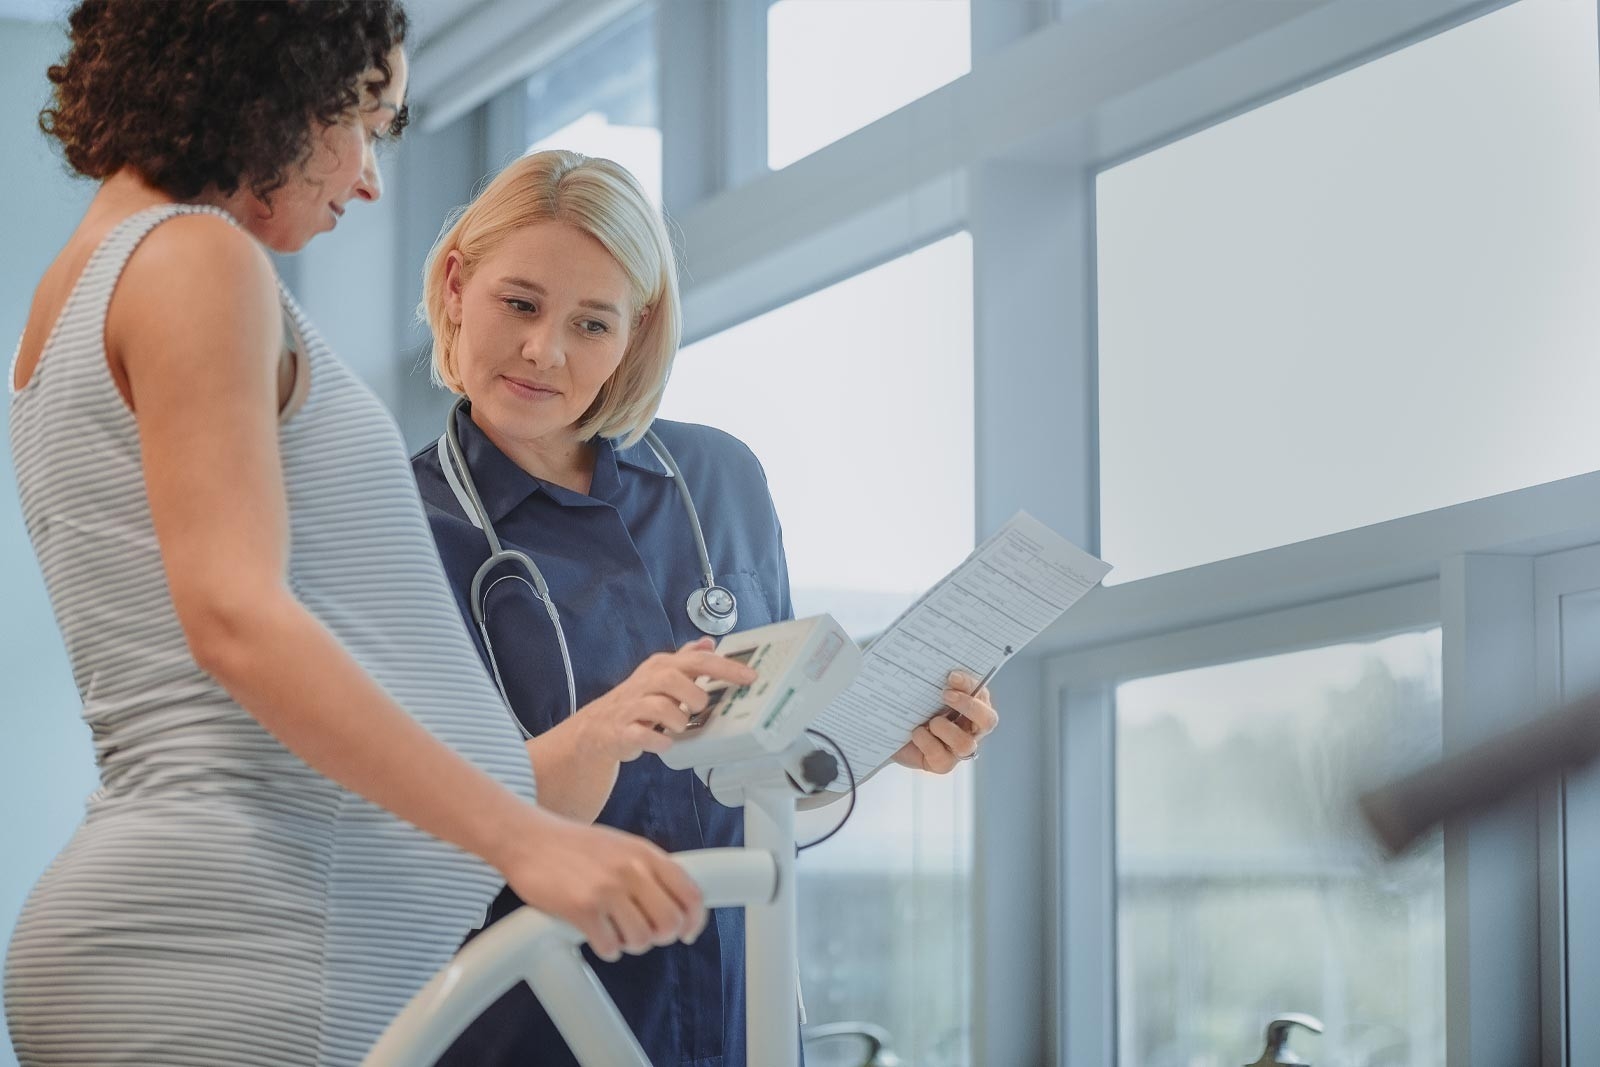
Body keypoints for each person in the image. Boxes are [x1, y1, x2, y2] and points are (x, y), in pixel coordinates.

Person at [3, 7, 722, 1066]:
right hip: (244, 953)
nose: (371, 176)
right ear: (273, 87)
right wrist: (529, 841)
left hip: (222, 937)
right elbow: (235, 617)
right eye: (366, 121)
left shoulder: (86, 282)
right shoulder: (194, 258)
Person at [411, 149, 1001, 1066]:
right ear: (456, 285)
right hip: (533, 1024)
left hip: (741, 1014)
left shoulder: (720, 482)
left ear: (636, 331)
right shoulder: (401, 529)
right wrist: (599, 734)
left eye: (593, 322)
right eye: (520, 304)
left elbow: (777, 763)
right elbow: (422, 833)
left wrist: (885, 731)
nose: (546, 351)